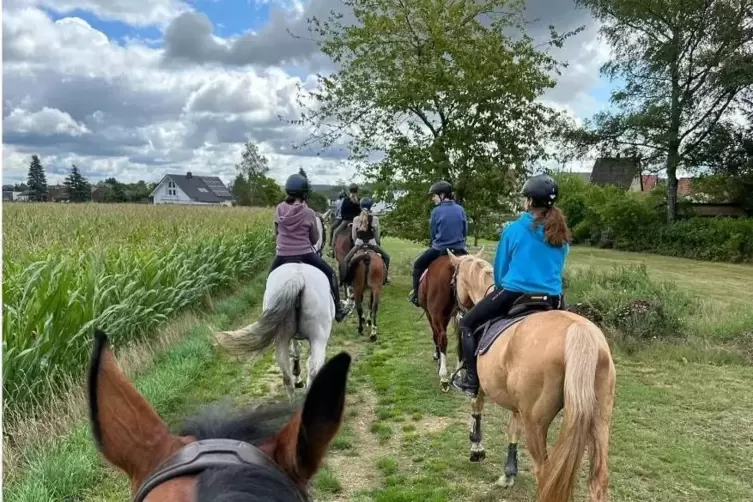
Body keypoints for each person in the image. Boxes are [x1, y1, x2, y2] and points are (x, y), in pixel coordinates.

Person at [451, 173, 572, 397]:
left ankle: (470, 378)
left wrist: (501, 286)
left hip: (515, 294)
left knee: (467, 323)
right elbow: (557, 267)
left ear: (529, 202)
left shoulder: (514, 230)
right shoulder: (561, 234)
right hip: (553, 299)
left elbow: (499, 270)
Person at [270, 173, 351, 322]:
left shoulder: (279, 209)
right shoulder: (309, 213)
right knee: (331, 273)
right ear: (305, 193)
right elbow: (314, 239)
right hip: (305, 254)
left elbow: (277, 232)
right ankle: (339, 310)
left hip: (282, 255)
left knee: (270, 279)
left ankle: (267, 312)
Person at [408, 180, 468, 307]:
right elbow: (464, 231)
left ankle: (416, 296)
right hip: (459, 249)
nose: (433, 199)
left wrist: (436, 242)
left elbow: (433, 232)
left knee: (418, 265)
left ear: (442, 195)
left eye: (434, 196)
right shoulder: (461, 209)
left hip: (439, 249)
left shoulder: (436, 211)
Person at [339, 197, 392, 285]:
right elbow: (377, 236)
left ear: (360, 206)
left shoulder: (356, 219)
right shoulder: (375, 219)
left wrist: (358, 242)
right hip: (372, 244)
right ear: (371, 207)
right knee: (387, 257)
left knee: (346, 260)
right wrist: (376, 243)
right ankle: (385, 278)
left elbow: (354, 236)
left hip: (359, 245)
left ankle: (347, 280)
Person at [330, 184, 360, 256]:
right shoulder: (359, 200)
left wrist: (345, 218)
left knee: (335, 233)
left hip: (346, 222)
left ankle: (332, 251)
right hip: (357, 222)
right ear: (357, 191)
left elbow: (342, 212)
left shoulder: (346, 200)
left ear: (349, 191)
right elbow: (360, 212)